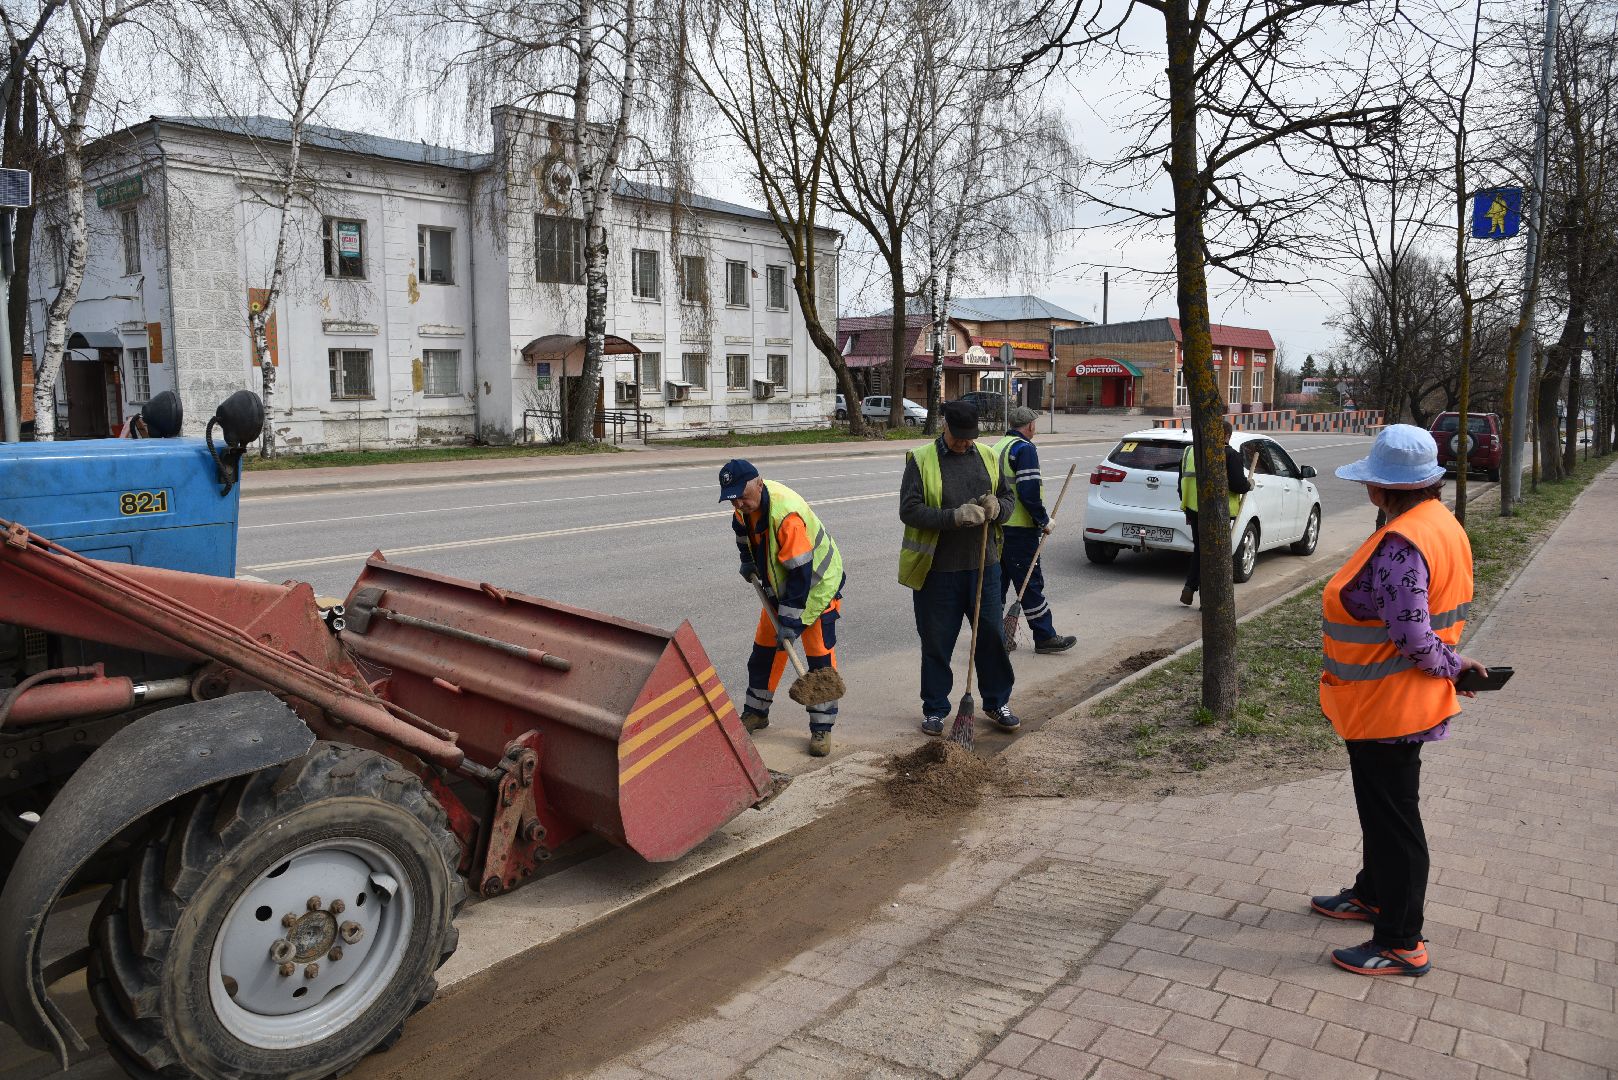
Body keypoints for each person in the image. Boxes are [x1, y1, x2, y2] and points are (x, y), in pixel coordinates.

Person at [1309, 425, 1486, 977]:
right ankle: (1373, 894)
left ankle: (1401, 941)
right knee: (1381, 811)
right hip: (1394, 701)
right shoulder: (1439, 524)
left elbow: (1412, 634)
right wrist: (1454, 665)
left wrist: (1453, 668)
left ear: (1380, 488)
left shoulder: (1402, 544)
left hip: (1388, 705)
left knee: (1394, 822)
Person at [898, 400, 1018, 736]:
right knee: (937, 642)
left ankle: (997, 701)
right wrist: (954, 517)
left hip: (985, 567)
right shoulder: (922, 460)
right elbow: (909, 511)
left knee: (992, 637)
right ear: (945, 428)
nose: (964, 444)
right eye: (959, 438)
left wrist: (999, 507)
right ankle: (935, 709)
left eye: (970, 438)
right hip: (938, 572)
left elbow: (1008, 499)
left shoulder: (988, 456)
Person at [721, 459, 846, 758]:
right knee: (764, 652)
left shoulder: (785, 514)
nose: (738, 502)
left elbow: (800, 574)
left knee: (819, 661)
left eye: (742, 495)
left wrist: (790, 621)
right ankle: (756, 712)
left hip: (816, 588)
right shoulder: (743, 506)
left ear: (759, 484)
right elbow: (743, 533)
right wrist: (747, 560)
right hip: (779, 588)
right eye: (732, 497)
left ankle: (822, 727)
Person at [992, 406, 1075, 653]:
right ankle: (1044, 637)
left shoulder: (997, 447)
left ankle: (997, 637)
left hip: (997, 528)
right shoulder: (1024, 449)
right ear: (1030, 426)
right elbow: (1028, 491)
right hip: (1019, 531)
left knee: (997, 586)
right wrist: (1043, 520)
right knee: (1030, 585)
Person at [1179, 420, 1253, 606]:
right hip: (1218, 512)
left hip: (1193, 508)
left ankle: (1190, 587)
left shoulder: (1190, 451)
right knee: (1214, 554)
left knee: (1200, 549)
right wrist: (1248, 485)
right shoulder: (1230, 454)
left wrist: (1188, 507)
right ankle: (1206, 600)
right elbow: (1238, 484)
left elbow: (1181, 481)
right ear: (1227, 435)